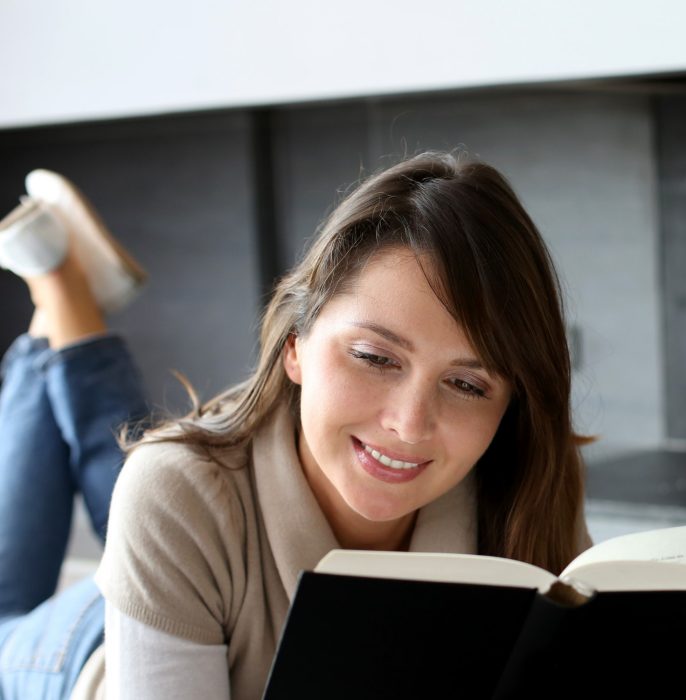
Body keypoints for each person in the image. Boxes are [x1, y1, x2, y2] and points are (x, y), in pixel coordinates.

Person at [0, 154, 592, 699]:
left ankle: (56, 294)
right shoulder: (176, 491)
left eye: (466, 385)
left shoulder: (526, 494)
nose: (410, 426)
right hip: (70, 655)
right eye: (374, 357)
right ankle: (59, 283)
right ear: (294, 345)